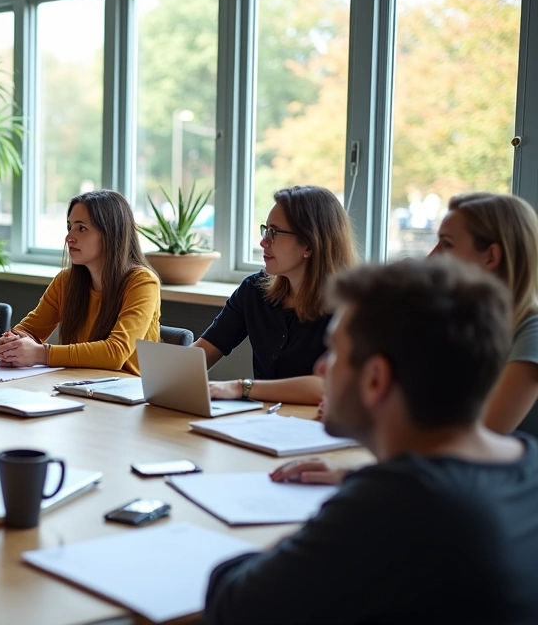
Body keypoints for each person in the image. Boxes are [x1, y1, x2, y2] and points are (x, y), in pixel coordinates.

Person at [204, 259, 538, 624]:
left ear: (376, 379)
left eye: (334, 352)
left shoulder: (396, 505)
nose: (319, 369)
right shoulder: (526, 463)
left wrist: (337, 514)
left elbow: (232, 602)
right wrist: (354, 479)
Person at [196, 185, 356, 405]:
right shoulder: (254, 289)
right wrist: (163, 378)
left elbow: (325, 386)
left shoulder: (350, 306)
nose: (263, 242)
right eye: (265, 230)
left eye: (274, 233)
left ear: (309, 244)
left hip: (312, 429)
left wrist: (240, 387)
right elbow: (202, 353)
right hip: (258, 422)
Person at [0, 190, 161, 374]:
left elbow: (116, 353)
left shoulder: (142, 282)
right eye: (69, 227)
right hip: (75, 386)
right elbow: (29, 330)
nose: (68, 238)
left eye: (81, 228)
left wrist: (41, 354)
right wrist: (10, 343)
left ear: (111, 234)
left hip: (128, 394)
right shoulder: (65, 281)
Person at [428, 192, 538, 437]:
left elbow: (480, 434)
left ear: (491, 256)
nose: (432, 257)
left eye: (446, 244)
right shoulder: (472, 323)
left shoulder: (532, 332)